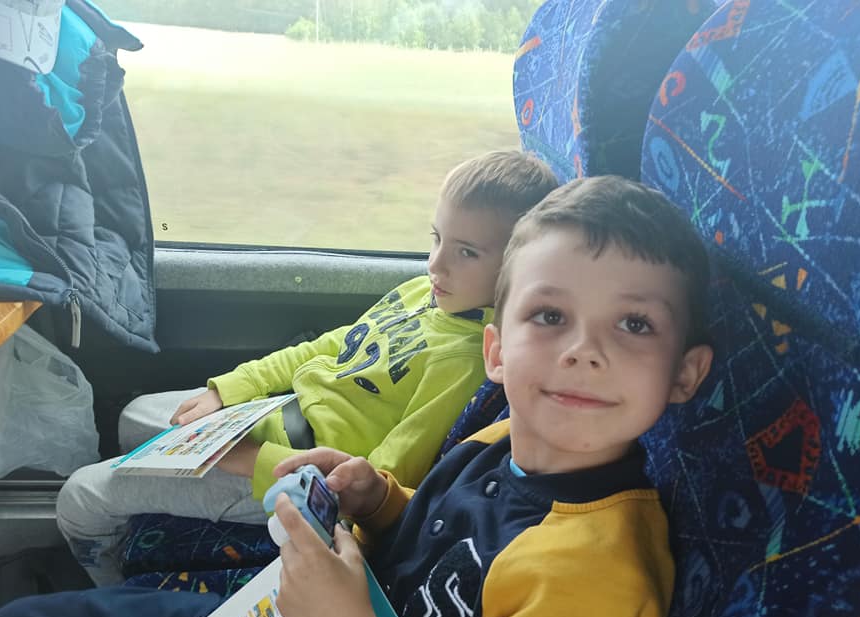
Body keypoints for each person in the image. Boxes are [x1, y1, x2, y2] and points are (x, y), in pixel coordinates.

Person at [0, 176, 714, 617]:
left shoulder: (592, 580)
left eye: (634, 324)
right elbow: (441, 544)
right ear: (496, 351)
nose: (583, 350)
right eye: (549, 316)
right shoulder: (502, 437)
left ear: (685, 373)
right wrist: (377, 498)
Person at [57, 150, 558, 586]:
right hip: (274, 415)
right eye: (436, 238)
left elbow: (377, 479)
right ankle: (141, 503)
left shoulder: (462, 361)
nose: (436, 264)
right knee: (134, 416)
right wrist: (229, 391)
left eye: (466, 252)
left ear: (518, 268)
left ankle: (105, 577)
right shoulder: (423, 294)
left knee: (80, 496)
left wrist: (249, 458)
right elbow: (331, 346)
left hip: (291, 473)